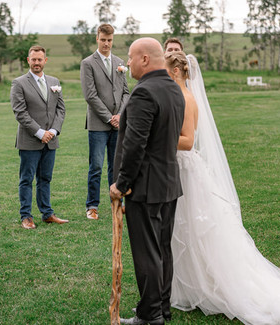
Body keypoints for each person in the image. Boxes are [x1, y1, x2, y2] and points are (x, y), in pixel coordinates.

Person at [164, 51, 280, 324]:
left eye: (166, 70)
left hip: (187, 171)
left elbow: (187, 141)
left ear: (176, 72)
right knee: (186, 229)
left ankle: (211, 285)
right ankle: (189, 285)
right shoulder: (181, 96)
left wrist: (160, 137)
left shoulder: (186, 98)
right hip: (182, 169)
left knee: (196, 230)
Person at [110, 38, 185, 325]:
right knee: (162, 249)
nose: (126, 63)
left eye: (130, 57)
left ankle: (151, 315)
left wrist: (121, 183)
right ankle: (161, 307)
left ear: (144, 59)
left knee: (147, 253)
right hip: (168, 183)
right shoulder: (173, 89)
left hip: (145, 186)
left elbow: (135, 145)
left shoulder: (144, 93)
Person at [11, 45, 67, 230]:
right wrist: (40, 132)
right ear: (28, 60)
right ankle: (26, 216)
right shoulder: (19, 83)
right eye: (33, 59)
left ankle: (47, 213)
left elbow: (61, 108)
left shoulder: (54, 81)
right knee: (26, 179)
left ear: (45, 60)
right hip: (30, 140)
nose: (36, 62)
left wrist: (54, 131)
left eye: (39, 59)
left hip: (51, 139)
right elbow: (20, 112)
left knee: (46, 178)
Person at [81, 23, 130, 220]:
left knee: (116, 166)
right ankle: (92, 206)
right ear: (97, 39)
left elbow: (126, 92)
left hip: (118, 122)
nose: (106, 44)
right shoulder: (88, 63)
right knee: (96, 166)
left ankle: (116, 203)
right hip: (98, 124)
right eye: (103, 40)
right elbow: (90, 95)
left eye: (109, 40)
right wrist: (109, 117)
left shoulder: (119, 62)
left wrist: (120, 115)